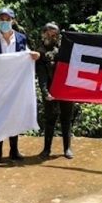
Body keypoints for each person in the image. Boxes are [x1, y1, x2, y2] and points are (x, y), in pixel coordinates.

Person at [0, 8, 40, 161]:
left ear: (13, 21)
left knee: (14, 115)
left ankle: (14, 150)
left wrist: (34, 55)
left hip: (16, 85)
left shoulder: (21, 38)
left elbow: (26, 54)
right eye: (1, 19)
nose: (4, 22)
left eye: (7, 19)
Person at [36, 23, 75, 159]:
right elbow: (42, 74)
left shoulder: (65, 50)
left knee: (66, 119)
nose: (50, 36)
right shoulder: (40, 52)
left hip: (66, 89)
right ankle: (47, 149)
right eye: (48, 33)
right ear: (43, 33)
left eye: (54, 34)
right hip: (51, 90)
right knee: (50, 120)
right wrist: (45, 91)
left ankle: (67, 148)